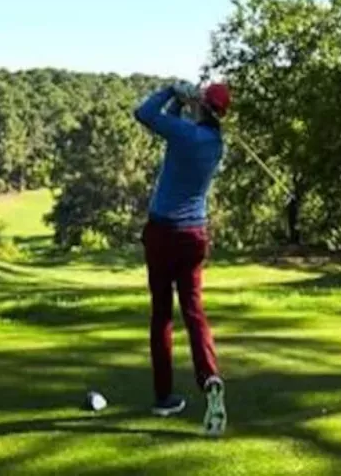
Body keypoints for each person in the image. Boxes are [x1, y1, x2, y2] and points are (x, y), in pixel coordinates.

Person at [133, 81, 230, 437]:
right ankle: (210, 378)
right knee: (194, 311)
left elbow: (143, 114)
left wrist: (171, 90)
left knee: (162, 315)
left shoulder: (186, 134)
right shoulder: (215, 144)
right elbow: (170, 130)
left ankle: (164, 397)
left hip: (163, 234)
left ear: (202, 106)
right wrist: (187, 104)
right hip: (194, 235)